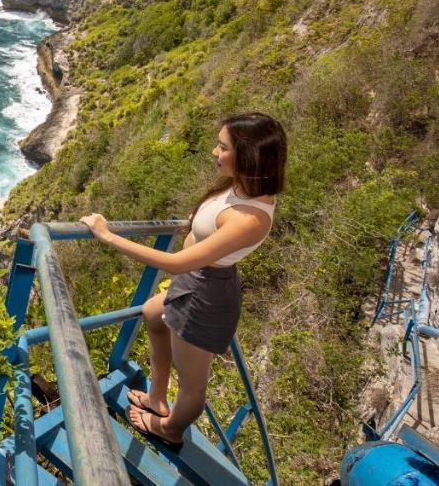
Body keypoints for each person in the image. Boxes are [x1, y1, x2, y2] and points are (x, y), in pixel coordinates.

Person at [79, 112, 287, 450]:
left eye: (222, 147)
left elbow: (176, 263)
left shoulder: (251, 218)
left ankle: (170, 429)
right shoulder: (243, 186)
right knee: (151, 313)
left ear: (247, 156)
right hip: (197, 280)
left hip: (206, 293)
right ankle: (157, 396)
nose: (213, 152)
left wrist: (109, 236)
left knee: (192, 385)